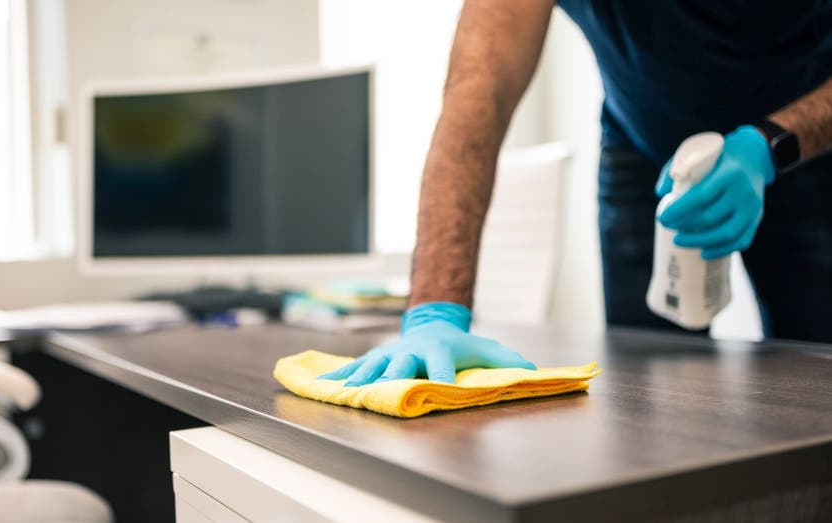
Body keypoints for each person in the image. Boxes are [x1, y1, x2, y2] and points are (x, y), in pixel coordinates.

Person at [322, 1, 832, 386]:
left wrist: (771, 146)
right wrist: (435, 310)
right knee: (652, 392)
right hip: (642, 140)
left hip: (804, 140)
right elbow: (479, 91)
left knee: (815, 374)